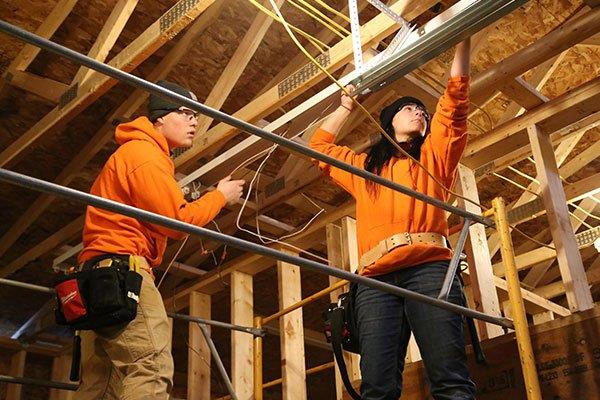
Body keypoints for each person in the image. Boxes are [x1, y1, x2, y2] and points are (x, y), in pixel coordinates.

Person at [310, 40, 476, 399]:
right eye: (410, 108)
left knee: (449, 379)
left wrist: (461, 38)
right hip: (374, 282)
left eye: (422, 110)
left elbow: (454, 104)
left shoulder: (434, 158)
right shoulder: (366, 169)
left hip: (428, 270)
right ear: (389, 123)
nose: (420, 112)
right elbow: (319, 148)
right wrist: (345, 106)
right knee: (377, 387)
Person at [75, 80, 245, 399]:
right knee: (150, 367)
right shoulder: (144, 155)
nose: (195, 121)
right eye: (186, 112)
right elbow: (177, 222)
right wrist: (219, 197)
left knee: (101, 384)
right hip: (123, 273)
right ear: (160, 118)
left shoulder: (135, 155)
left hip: (95, 278)